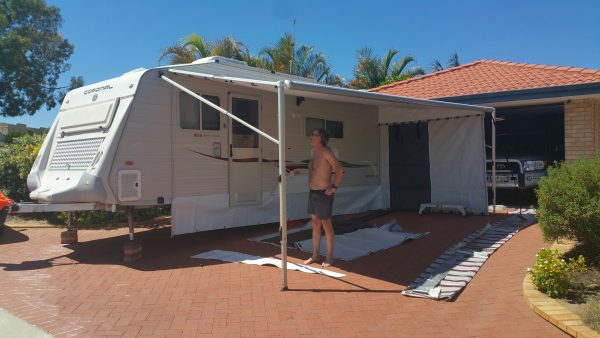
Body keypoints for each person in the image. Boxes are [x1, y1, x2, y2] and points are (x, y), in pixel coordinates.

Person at [304, 128, 344, 267]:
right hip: (313, 193)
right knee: (315, 224)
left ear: (320, 138)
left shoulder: (327, 151)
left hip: (323, 193)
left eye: (314, 135)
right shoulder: (314, 152)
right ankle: (315, 255)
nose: (311, 136)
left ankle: (329, 257)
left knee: (326, 224)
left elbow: (339, 169)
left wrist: (334, 187)